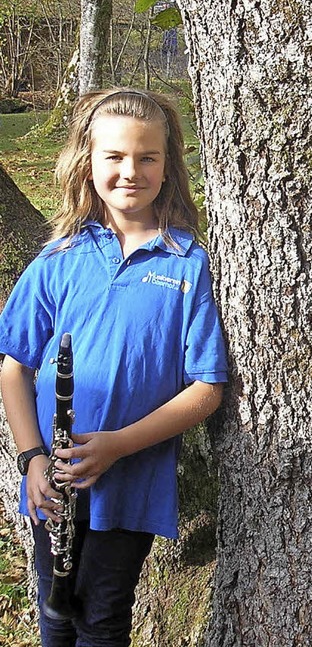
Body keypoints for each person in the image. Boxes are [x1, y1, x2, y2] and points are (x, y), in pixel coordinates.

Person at [0, 88, 228, 647]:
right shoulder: (59, 259)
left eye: (147, 158)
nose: (132, 171)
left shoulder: (187, 263)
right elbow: (13, 367)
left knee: (102, 618)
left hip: (130, 486)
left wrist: (118, 445)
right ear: (88, 162)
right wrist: (31, 458)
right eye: (116, 157)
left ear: (168, 166)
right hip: (54, 481)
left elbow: (207, 389)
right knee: (54, 614)